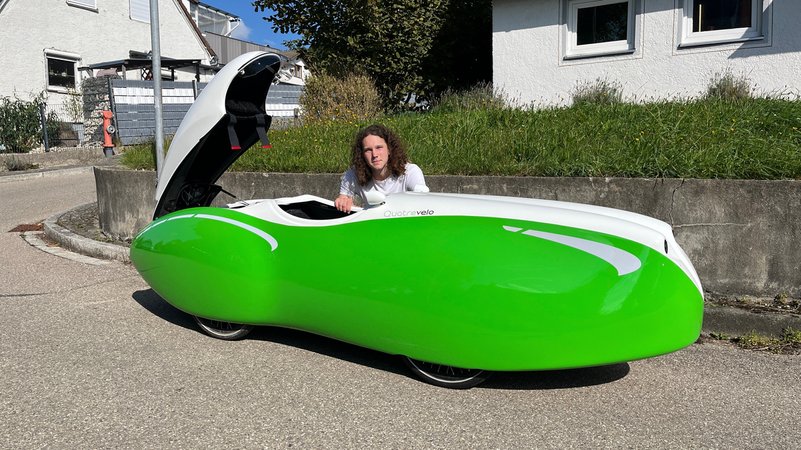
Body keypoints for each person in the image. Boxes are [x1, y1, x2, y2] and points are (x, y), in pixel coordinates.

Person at [335, 124, 427, 213]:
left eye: (379, 147)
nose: (374, 155)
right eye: (368, 150)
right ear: (362, 154)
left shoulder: (410, 171)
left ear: (389, 149)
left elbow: (422, 201)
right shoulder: (352, 175)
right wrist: (343, 202)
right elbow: (344, 199)